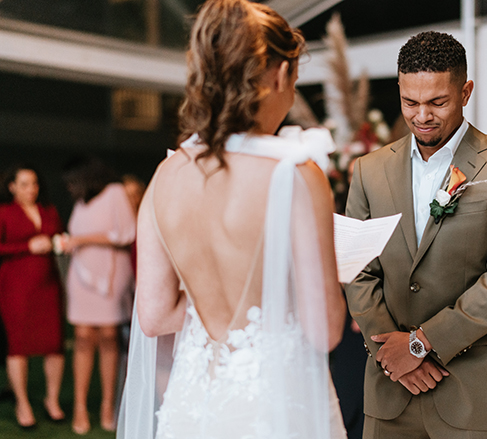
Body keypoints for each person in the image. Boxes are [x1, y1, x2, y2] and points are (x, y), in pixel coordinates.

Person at [116, 1, 347, 438]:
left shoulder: (166, 175)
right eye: (294, 80)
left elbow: (154, 316)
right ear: (278, 74)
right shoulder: (294, 172)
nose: (292, 94)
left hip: (193, 405)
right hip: (276, 409)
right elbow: (325, 330)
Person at [344, 32, 487, 438]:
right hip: (391, 394)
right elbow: (357, 269)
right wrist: (391, 355)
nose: (422, 116)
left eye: (438, 102)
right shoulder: (368, 170)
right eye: (410, 102)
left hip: (479, 396)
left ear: (466, 91)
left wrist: (420, 345)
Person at [61, 156, 136, 434]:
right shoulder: (82, 202)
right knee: (82, 337)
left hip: (111, 276)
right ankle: (80, 407)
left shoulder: (115, 192)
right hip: (81, 276)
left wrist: (81, 239)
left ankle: (107, 405)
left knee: (108, 337)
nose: (69, 188)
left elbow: (126, 233)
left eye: (72, 181)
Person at [0, 164, 66, 428]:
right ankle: (23, 403)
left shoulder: (49, 210)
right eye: (25, 184)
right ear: (12, 187)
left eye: (35, 183)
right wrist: (26, 246)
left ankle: (52, 400)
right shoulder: (4, 212)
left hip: (48, 285)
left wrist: (61, 243)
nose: (31, 189)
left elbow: (58, 236)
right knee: (18, 346)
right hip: (15, 287)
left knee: (55, 344)